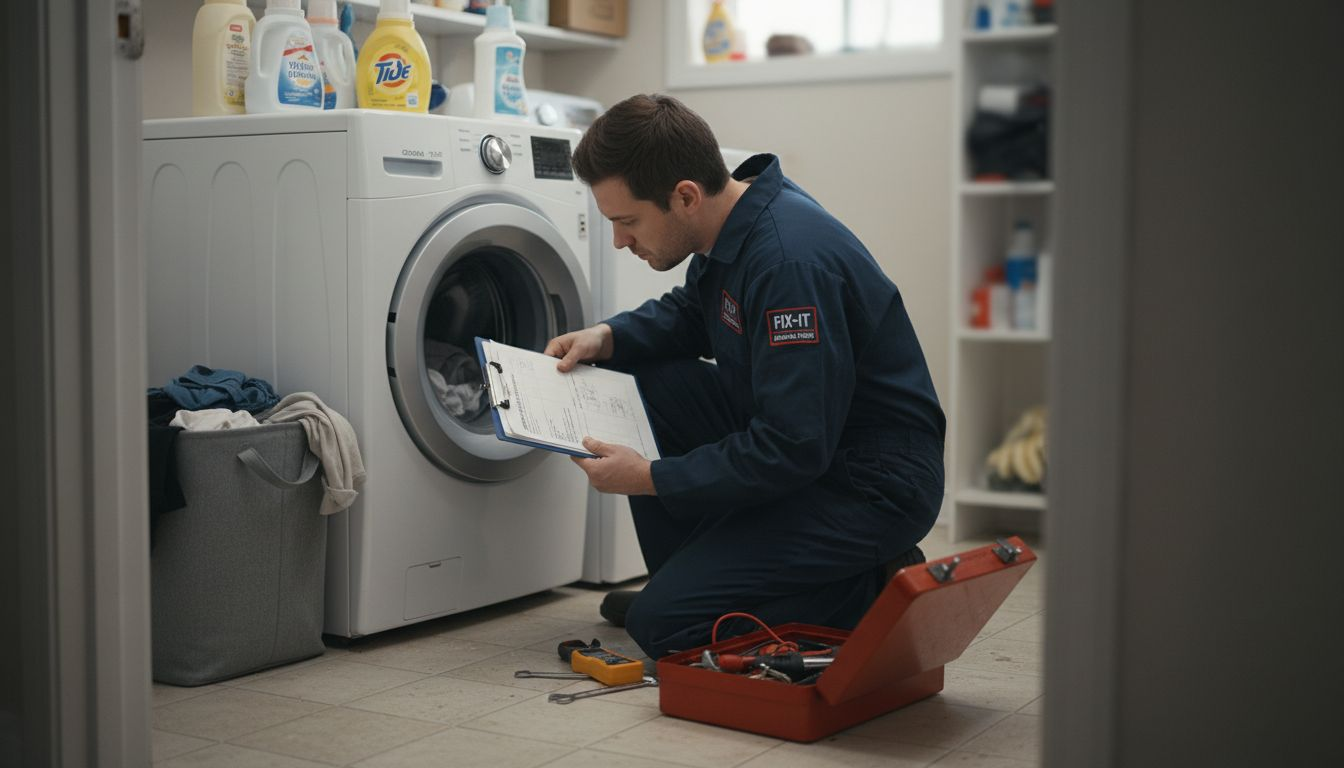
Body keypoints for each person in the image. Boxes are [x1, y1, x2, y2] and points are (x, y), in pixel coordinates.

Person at [545, 94, 945, 660]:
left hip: (870, 484)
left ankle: (869, 588)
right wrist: (605, 338)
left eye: (626, 221)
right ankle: (692, 587)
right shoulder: (734, 222)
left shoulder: (787, 263)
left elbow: (791, 446)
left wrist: (651, 476)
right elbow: (692, 314)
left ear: (684, 196)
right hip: (818, 445)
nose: (619, 240)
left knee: (664, 629)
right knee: (647, 381)